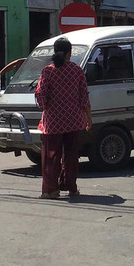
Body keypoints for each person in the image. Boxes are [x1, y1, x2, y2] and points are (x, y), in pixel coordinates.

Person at [35, 36, 92, 200]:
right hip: (74, 120)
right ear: (70, 52)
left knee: (51, 156)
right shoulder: (77, 70)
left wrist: (45, 106)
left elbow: (40, 96)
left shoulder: (48, 71)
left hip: (53, 122)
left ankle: (51, 190)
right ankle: (71, 187)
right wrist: (89, 118)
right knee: (71, 156)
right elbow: (84, 97)